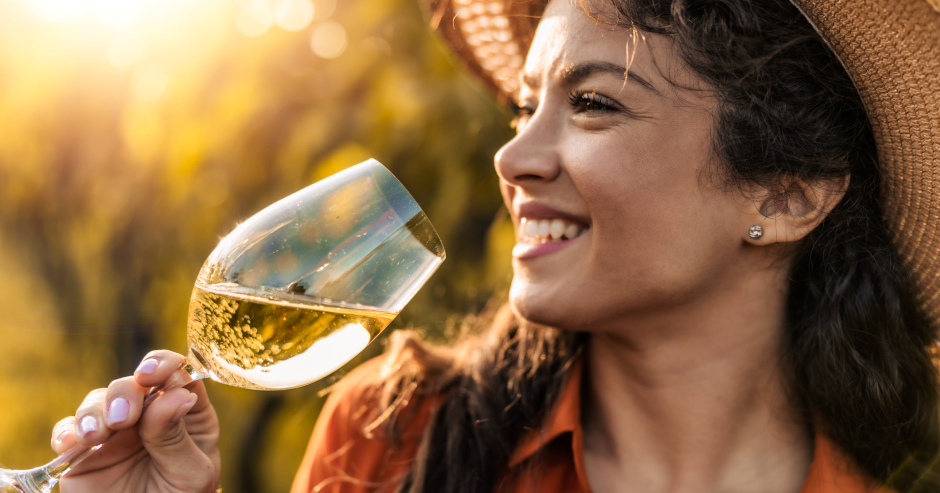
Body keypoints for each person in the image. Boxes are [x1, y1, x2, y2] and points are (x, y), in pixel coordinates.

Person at [50, 0, 940, 491]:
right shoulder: (392, 439)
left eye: (593, 103)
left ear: (786, 195)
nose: (511, 156)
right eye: (525, 106)